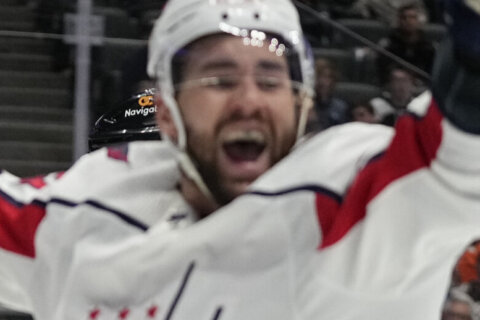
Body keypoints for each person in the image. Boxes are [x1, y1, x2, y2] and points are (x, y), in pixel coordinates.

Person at [0, 0, 480, 320]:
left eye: (272, 81)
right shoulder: (85, 212)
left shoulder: (354, 209)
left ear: (303, 107)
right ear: (166, 114)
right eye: (219, 80)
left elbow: (454, 159)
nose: (249, 101)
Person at [377, 3, 436, 83]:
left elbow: (432, 72)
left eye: (412, 17)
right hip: (394, 85)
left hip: (421, 87)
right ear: (399, 21)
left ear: (419, 21)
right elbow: (384, 71)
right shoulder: (389, 45)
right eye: (404, 18)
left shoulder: (429, 48)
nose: (408, 21)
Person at [308, 58, 350, 132]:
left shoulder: (340, 107)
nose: (322, 82)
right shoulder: (304, 106)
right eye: (319, 76)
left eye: (327, 77)